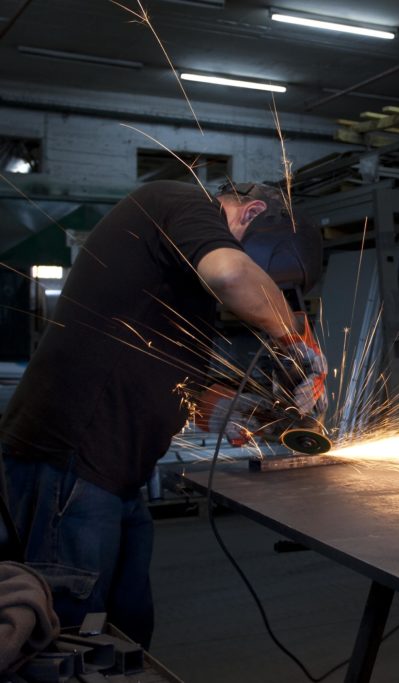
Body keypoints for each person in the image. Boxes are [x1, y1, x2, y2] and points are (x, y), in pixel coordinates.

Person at [0, 180, 326, 648]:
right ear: (251, 212)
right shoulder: (179, 200)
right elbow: (232, 274)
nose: (266, 289)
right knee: (69, 642)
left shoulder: (180, 279)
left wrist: (244, 412)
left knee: (126, 635)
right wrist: (295, 340)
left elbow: (174, 382)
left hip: (113, 478)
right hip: (70, 468)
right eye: (270, 280)